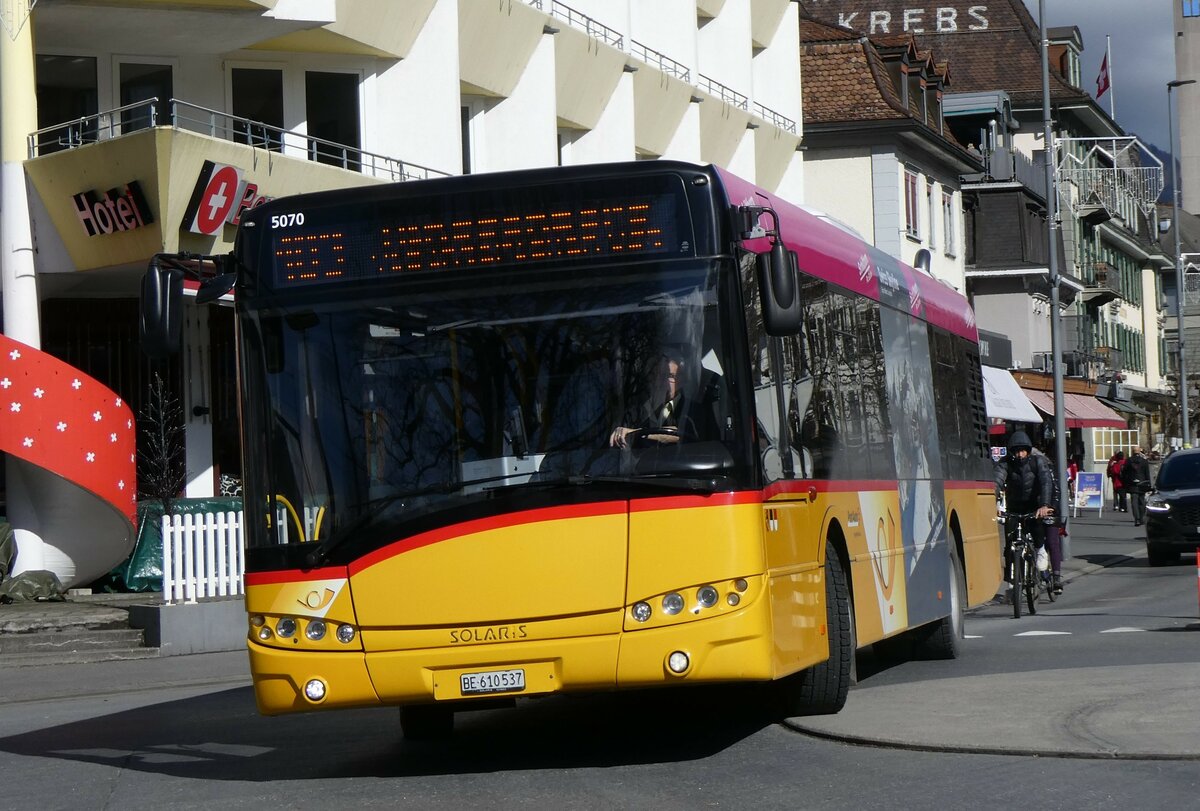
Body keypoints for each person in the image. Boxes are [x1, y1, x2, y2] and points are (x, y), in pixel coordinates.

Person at [995, 431, 1057, 592]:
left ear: (1028, 451)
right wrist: (992, 502)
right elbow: (997, 481)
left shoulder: (1038, 462)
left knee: (1037, 533)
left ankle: (1041, 551)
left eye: (1023, 450)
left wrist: (1044, 505)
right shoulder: (1005, 463)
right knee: (1010, 544)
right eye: (1016, 451)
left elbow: (1045, 482)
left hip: (1034, 506)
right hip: (1014, 507)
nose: (1020, 454)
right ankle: (1012, 581)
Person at [609, 349, 694, 448]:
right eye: (661, 376)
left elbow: (682, 434)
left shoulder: (692, 409)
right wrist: (619, 434)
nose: (664, 382)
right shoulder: (642, 407)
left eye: (670, 376)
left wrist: (634, 433)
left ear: (681, 381)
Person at [1121, 445, 1152, 526]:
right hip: (1142, 483)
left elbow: (1124, 473)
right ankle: (1141, 518)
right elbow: (1147, 473)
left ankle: (1137, 519)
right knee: (1142, 501)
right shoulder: (1144, 461)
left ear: (1132, 451)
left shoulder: (1128, 461)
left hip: (1132, 484)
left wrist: (1125, 483)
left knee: (1134, 502)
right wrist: (1148, 483)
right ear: (1139, 451)